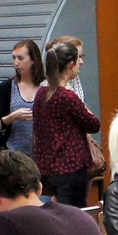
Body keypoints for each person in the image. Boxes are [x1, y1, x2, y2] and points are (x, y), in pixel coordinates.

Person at [33, 39, 101, 207]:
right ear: (70, 65)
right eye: (79, 60)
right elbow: (94, 124)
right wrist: (85, 108)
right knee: (76, 213)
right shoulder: (67, 96)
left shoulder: (41, 93)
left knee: (60, 211)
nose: (81, 63)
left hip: (48, 165)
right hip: (71, 165)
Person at [0, 38, 45, 158]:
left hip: (42, 153)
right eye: (14, 58)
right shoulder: (8, 86)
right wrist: (13, 116)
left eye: (20, 58)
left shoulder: (46, 86)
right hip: (14, 152)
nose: (16, 63)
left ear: (33, 60)